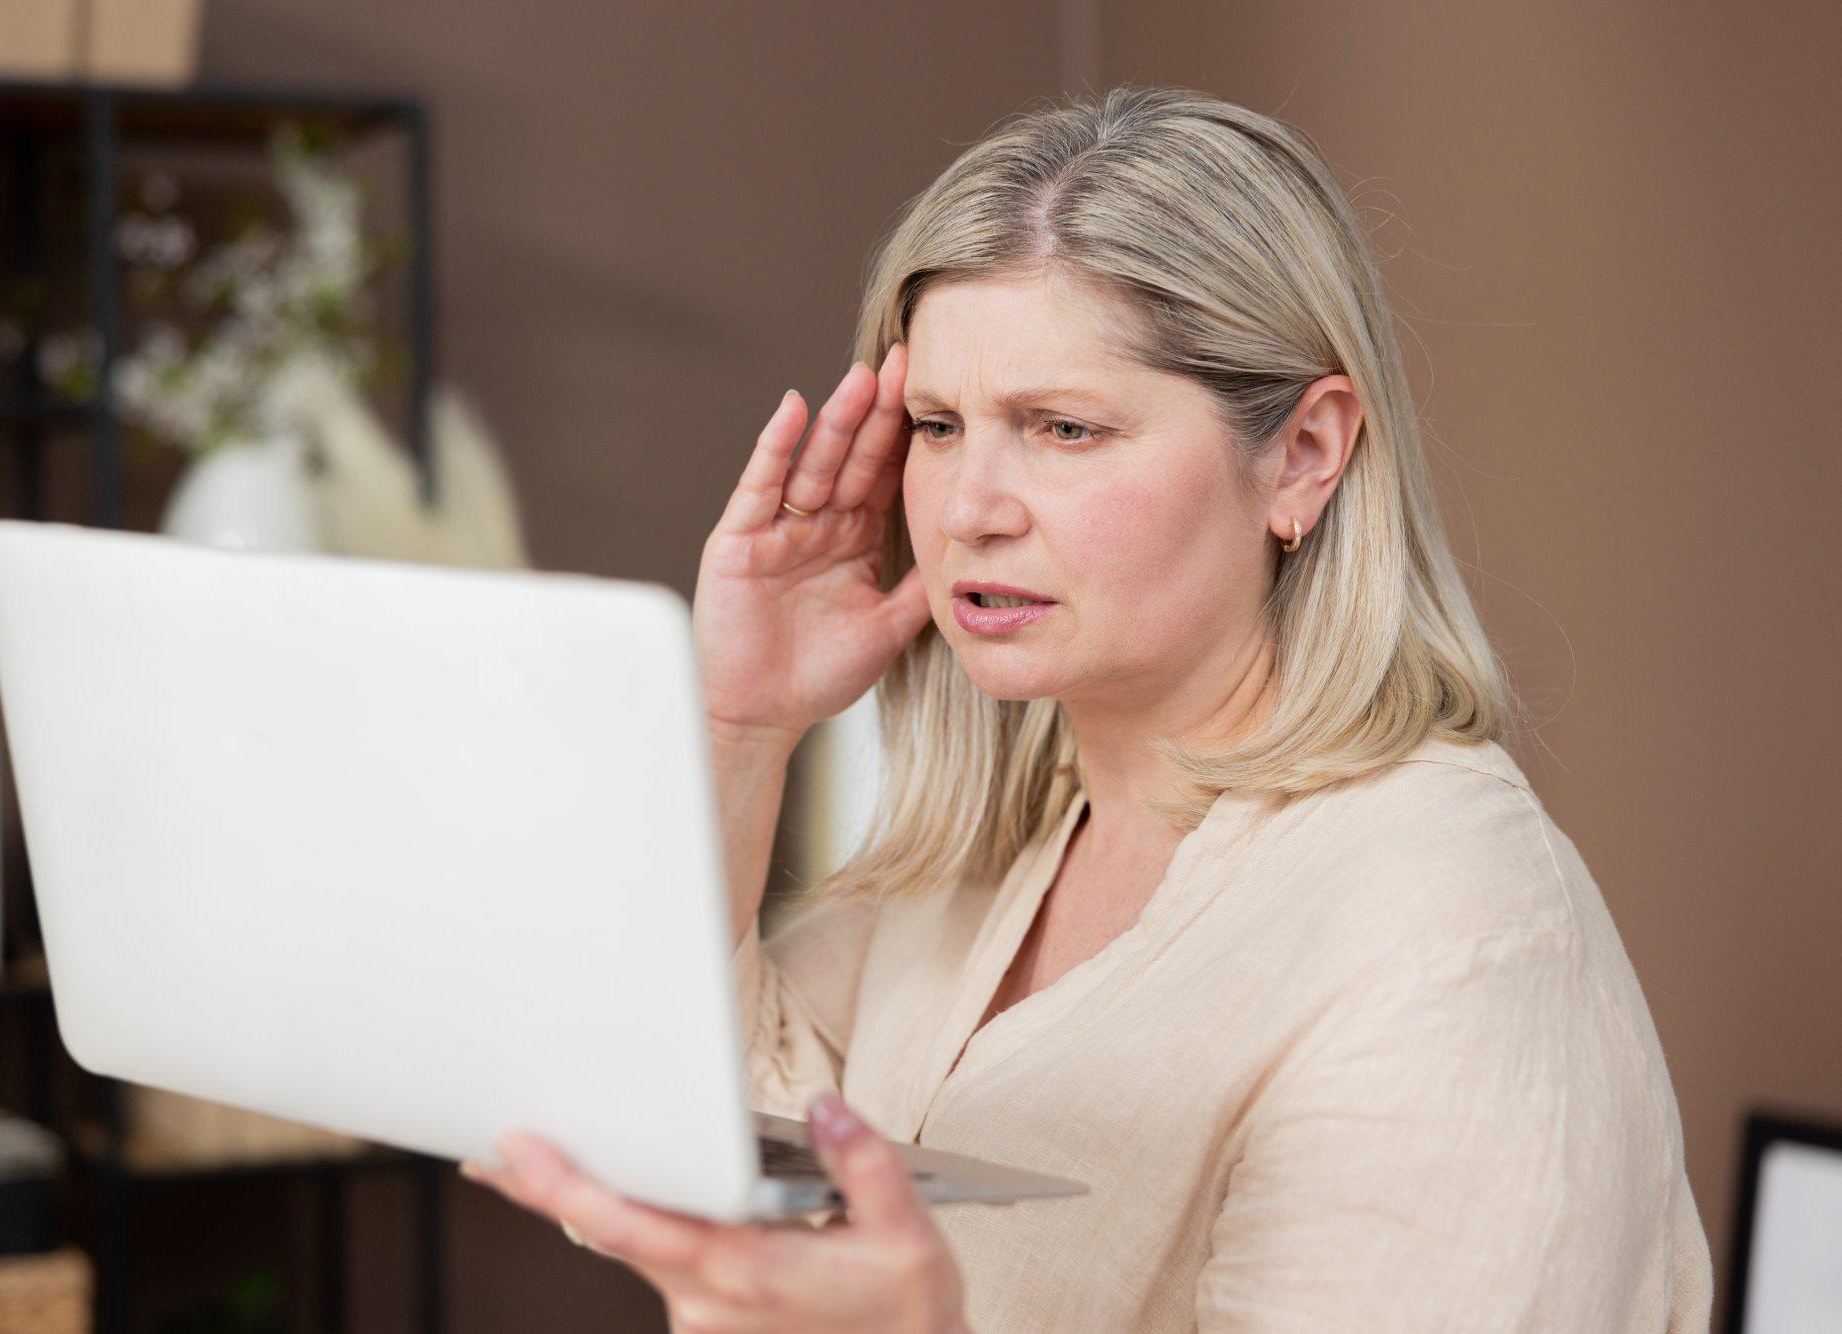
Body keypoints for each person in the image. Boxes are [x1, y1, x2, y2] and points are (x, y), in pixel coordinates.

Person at [460, 85, 1714, 1332]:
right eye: (939, 426)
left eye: (1063, 427)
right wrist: (739, 723)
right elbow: (660, 1115)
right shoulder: (978, 859)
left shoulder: (1450, 926)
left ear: (1304, 454)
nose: (966, 508)